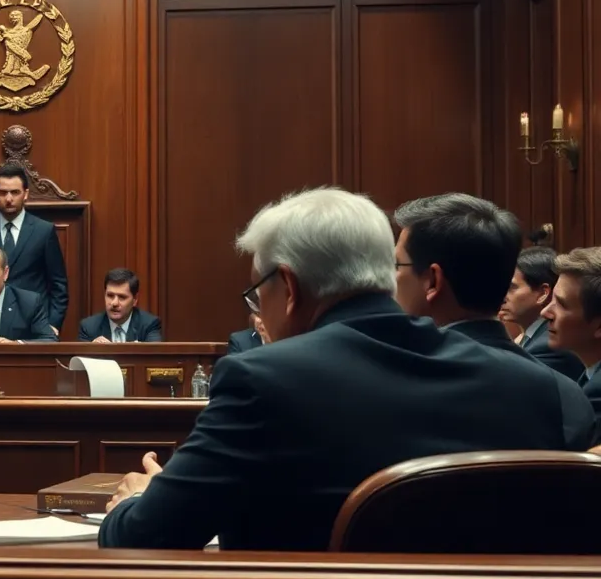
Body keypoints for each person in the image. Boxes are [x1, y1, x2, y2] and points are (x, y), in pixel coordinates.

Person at [99, 187, 584, 552]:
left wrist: (138, 499)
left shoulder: (261, 381)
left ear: (289, 287)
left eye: (258, 294)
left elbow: (144, 537)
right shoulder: (533, 387)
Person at [391, 194, 594, 449]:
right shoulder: (567, 397)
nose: (391, 277)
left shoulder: (385, 387)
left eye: (397, 265)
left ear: (433, 280)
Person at [0, 164, 68, 333]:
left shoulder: (44, 231)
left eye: (15, 192)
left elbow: (58, 285)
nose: (9, 198)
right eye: (3, 192)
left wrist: (53, 325)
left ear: (25, 194)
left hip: (33, 325)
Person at [500, 247, 585, 378]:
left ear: (542, 293)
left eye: (511, 287)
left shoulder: (548, 346)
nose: (502, 297)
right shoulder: (532, 336)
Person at [542, 248, 601, 422]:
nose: (545, 312)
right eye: (551, 300)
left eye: (561, 304)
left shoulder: (597, 392)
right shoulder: (590, 376)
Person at [77, 268, 162, 342]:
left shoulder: (149, 325)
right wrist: (93, 350)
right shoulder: (89, 327)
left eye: (122, 297)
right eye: (110, 295)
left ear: (135, 299)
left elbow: (154, 354)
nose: (114, 303)